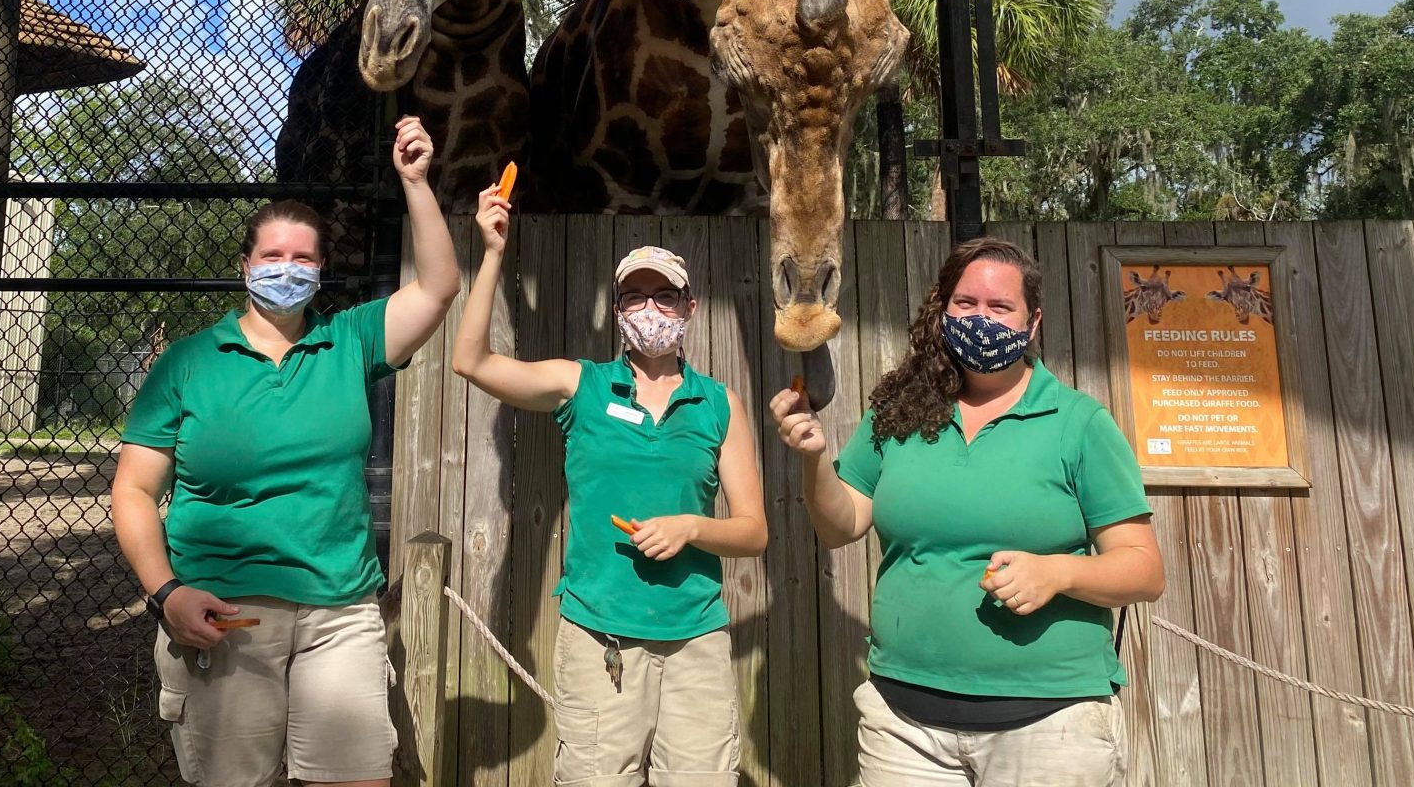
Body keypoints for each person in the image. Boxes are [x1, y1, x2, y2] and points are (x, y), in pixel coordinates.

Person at [110, 115, 459, 787]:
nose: (286, 269)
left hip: (341, 610)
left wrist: (416, 182)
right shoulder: (189, 364)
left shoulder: (350, 340)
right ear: (245, 265)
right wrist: (165, 592)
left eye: (302, 258)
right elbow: (132, 490)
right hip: (224, 613)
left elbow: (439, 287)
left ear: (321, 271)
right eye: (272, 256)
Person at [769, 237, 1163, 787]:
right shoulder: (898, 409)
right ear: (943, 309)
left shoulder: (1079, 423)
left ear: (1032, 323)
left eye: (1000, 308)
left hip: (1048, 728)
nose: (981, 320)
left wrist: (1059, 572)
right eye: (966, 304)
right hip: (903, 726)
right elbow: (840, 526)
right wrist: (814, 462)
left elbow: (1143, 571)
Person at [452, 183, 768, 787]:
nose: (650, 308)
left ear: (690, 308)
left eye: (665, 296)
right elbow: (471, 362)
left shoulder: (720, 405)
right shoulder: (582, 385)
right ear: (618, 309)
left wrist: (693, 528)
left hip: (694, 639)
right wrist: (492, 253)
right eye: (634, 296)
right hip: (602, 638)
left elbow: (753, 531)